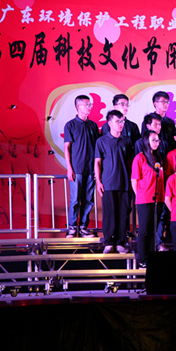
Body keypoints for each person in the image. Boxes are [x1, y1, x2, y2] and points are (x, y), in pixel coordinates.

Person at [63, 95, 100, 238]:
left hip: (90, 169)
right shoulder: (70, 125)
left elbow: (97, 149)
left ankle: (84, 227)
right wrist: (69, 168)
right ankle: (72, 227)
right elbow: (67, 148)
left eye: (90, 105)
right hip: (76, 169)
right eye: (87, 104)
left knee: (88, 200)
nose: (90, 107)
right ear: (78, 107)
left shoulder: (93, 126)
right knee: (75, 199)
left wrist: (97, 170)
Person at [95, 110, 131, 254]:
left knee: (123, 213)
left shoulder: (126, 141)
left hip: (124, 183)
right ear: (109, 123)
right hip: (108, 183)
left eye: (122, 121)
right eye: (117, 121)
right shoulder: (101, 141)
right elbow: (97, 162)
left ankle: (121, 242)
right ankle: (109, 243)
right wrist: (98, 181)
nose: (121, 124)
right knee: (109, 214)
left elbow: (129, 163)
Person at [131, 130, 165, 268]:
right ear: (146, 141)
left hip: (159, 198)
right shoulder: (139, 158)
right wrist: (141, 195)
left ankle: (152, 257)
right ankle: (143, 259)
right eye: (153, 140)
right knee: (144, 230)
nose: (157, 143)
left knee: (153, 230)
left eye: (158, 140)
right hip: (145, 199)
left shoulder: (158, 157)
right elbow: (134, 180)